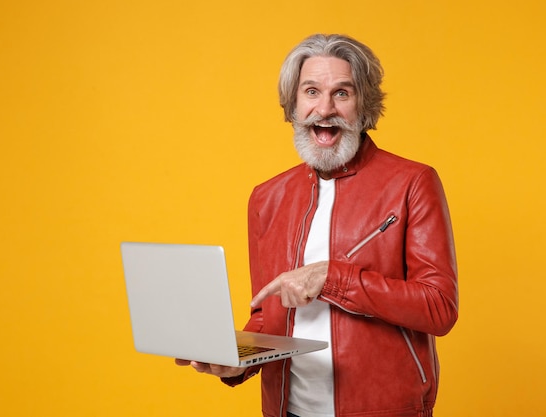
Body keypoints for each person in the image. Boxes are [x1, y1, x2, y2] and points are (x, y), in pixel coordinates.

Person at [176, 33, 459, 417]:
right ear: (293, 104)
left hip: (384, 409)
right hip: (287, 409)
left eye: (342, 93)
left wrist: (330, 278)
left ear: (365, 105)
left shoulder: (412, 183)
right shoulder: (267, 197)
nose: (324, 108)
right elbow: (267, 313)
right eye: (311, 91)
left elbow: (439, 307)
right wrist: (239, 362)